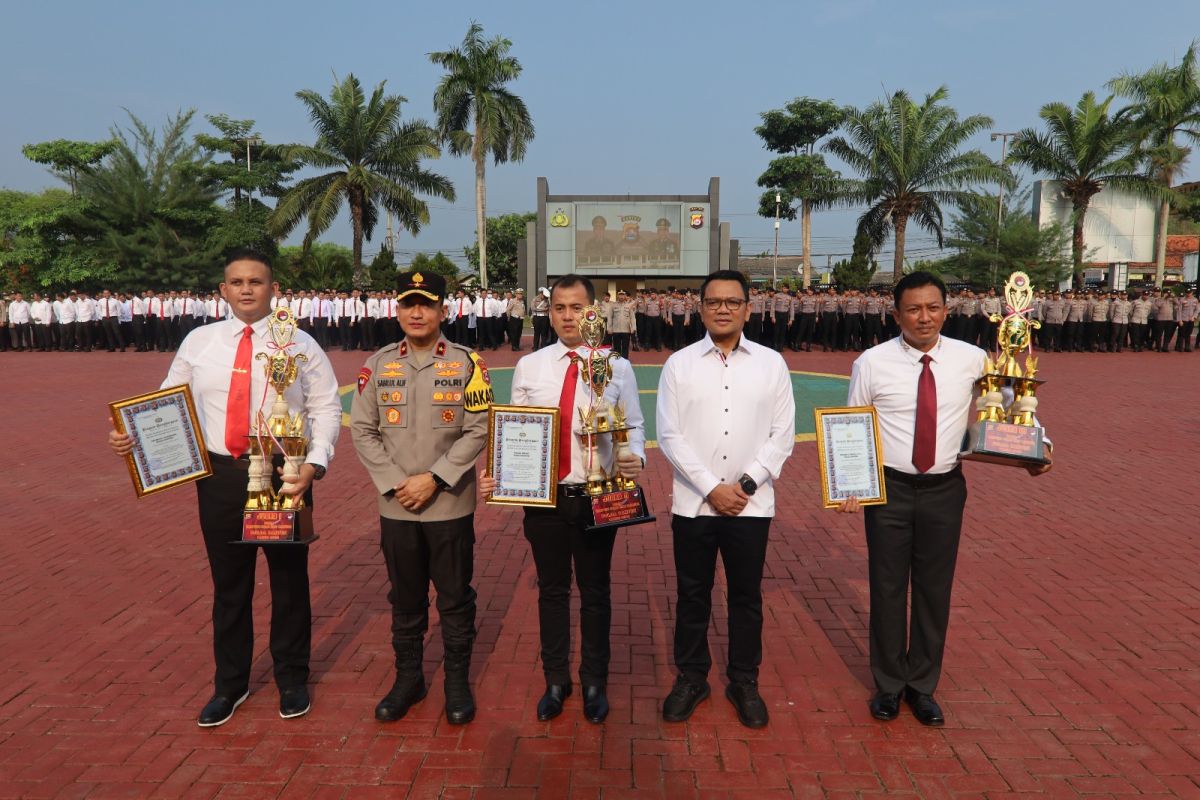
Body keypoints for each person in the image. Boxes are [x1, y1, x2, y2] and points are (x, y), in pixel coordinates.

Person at [107, 248, 341, 727]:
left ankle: (292, 679)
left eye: (256, 281)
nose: (247, 289)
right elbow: (164, 402)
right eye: (237, 282)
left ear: (273, 289)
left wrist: (314, 465)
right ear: (223, 291)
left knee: (288, 582)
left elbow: (326, 408)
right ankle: (230, 685)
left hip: (282, 475)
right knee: (229, 585)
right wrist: (131, 435)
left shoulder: (298, 343)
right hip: (219, 477)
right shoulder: (199, 342)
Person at [836, 271, 1052, 727]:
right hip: (888, 490)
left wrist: (1039, 449)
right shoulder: (871, 363)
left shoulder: (973, 360)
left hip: (944, 489)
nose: (924, 317)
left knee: (934, 590)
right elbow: (853, 424)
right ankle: (889, 686)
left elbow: (1013, 408)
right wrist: (851, 483)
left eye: (933, 308)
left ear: (946, 311)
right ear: (896, 314)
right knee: (888, 587)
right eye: (913, 309)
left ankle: (922, 686)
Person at [479, 274, 645, 724]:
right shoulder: (531, 367)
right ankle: (556, 679)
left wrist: (636, 459)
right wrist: (502, 474)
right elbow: (514, 429)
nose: (568, 316)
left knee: (596, 591)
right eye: (559, 308)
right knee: (552, 591)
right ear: (549, 312)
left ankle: (594, 680)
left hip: (598, 493)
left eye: (577, 308)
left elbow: (635, 424)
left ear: (594, 311)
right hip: (545, 498)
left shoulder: (616, 365)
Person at [350, 271, 491, 725]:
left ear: (442, 311)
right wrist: (395, 482)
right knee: (405, 599)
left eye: (426, 304)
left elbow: (477, 428)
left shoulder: (469, 363)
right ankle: (408, 678)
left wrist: (435, 478)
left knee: (454, 597)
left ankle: (455, 681)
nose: (416, 312)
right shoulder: (378, 364)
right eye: (408, 304)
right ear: (397, 310)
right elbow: (363, 430)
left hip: (449, 503)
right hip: (396, 505)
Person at [656, 270, 795, 729]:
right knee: (692, 595)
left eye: (732, 302)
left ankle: (743, 680)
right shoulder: (679, 363)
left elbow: (783, 434)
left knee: (745, 597)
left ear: (747, 309)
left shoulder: (772, 363)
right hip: (694, 504)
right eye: (713, 301)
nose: (722, 309)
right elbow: (670, 435)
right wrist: (712, 487)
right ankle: (692, 677)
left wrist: (747, 486)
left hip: (751, 507)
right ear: (700, 309)